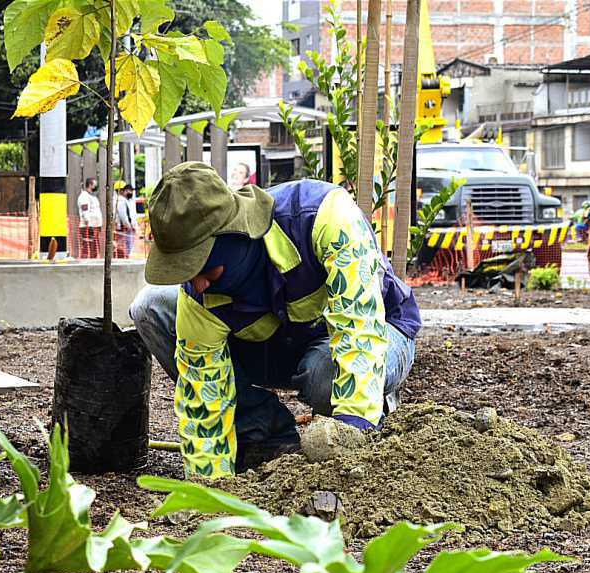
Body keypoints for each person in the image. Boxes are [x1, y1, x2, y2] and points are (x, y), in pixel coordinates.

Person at [130, 161, 421, 478]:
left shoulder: (322, 218)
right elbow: (203, 395)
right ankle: (265, 434)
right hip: (279, 348)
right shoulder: (198, 294)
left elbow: (359, 328)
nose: (197, 284)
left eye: (203, 269)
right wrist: (209, 490)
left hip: (374, 333)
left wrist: (352, 436)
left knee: (324, 375)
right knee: (153, 304)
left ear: (232, 237)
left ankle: (378, 408)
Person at [77, 177, 102, 258]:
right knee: (87, 248)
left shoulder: (92, 197)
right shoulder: (84, 196)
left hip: (94, 226)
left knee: (94, 248)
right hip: (88, 227)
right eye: (95, 185)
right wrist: (89, 224)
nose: (96, 186)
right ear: (90, 185)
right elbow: (85, 211)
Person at [114, 181, 137, 258]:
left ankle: (125, 257)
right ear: (121, 191)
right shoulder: (120, 200)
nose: (129, 192)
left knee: (126, 245)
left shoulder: (126, 200)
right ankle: (125, 258)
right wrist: (128, 225)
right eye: (126, 190)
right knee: (124, 246)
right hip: (124, 228)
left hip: (127, 227)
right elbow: (123, 215)